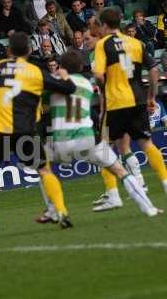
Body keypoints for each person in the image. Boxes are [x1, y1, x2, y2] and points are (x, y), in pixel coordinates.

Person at [43, 50, 160, 218]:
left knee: (43, 169)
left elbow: (44, 98)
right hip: (87, 139)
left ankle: (53, 210)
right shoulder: (86, 84)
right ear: (81, 66)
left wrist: (54, 77)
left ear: (61, 66)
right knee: (121, 171)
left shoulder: (55, 83)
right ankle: (148, 207)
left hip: (62, 142)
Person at [0, 32, 76, 234]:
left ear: (9, 51)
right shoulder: (36, 71)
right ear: (30, 50)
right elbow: (68, 88)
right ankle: (62, 212)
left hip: (0, 129)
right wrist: (65, 76)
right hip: (26, 129)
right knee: (44, 170)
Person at [93, 9, 167, 207]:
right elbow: (153, 70)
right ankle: (163, 182)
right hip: (138, 99)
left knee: (104, 148)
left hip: (116, 102)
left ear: (105, 25)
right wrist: (151, 96)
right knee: (146, 144)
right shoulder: (135, 43)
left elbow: (99, 75)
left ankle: (113, 194)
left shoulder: (103, 44)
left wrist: (105, 87)